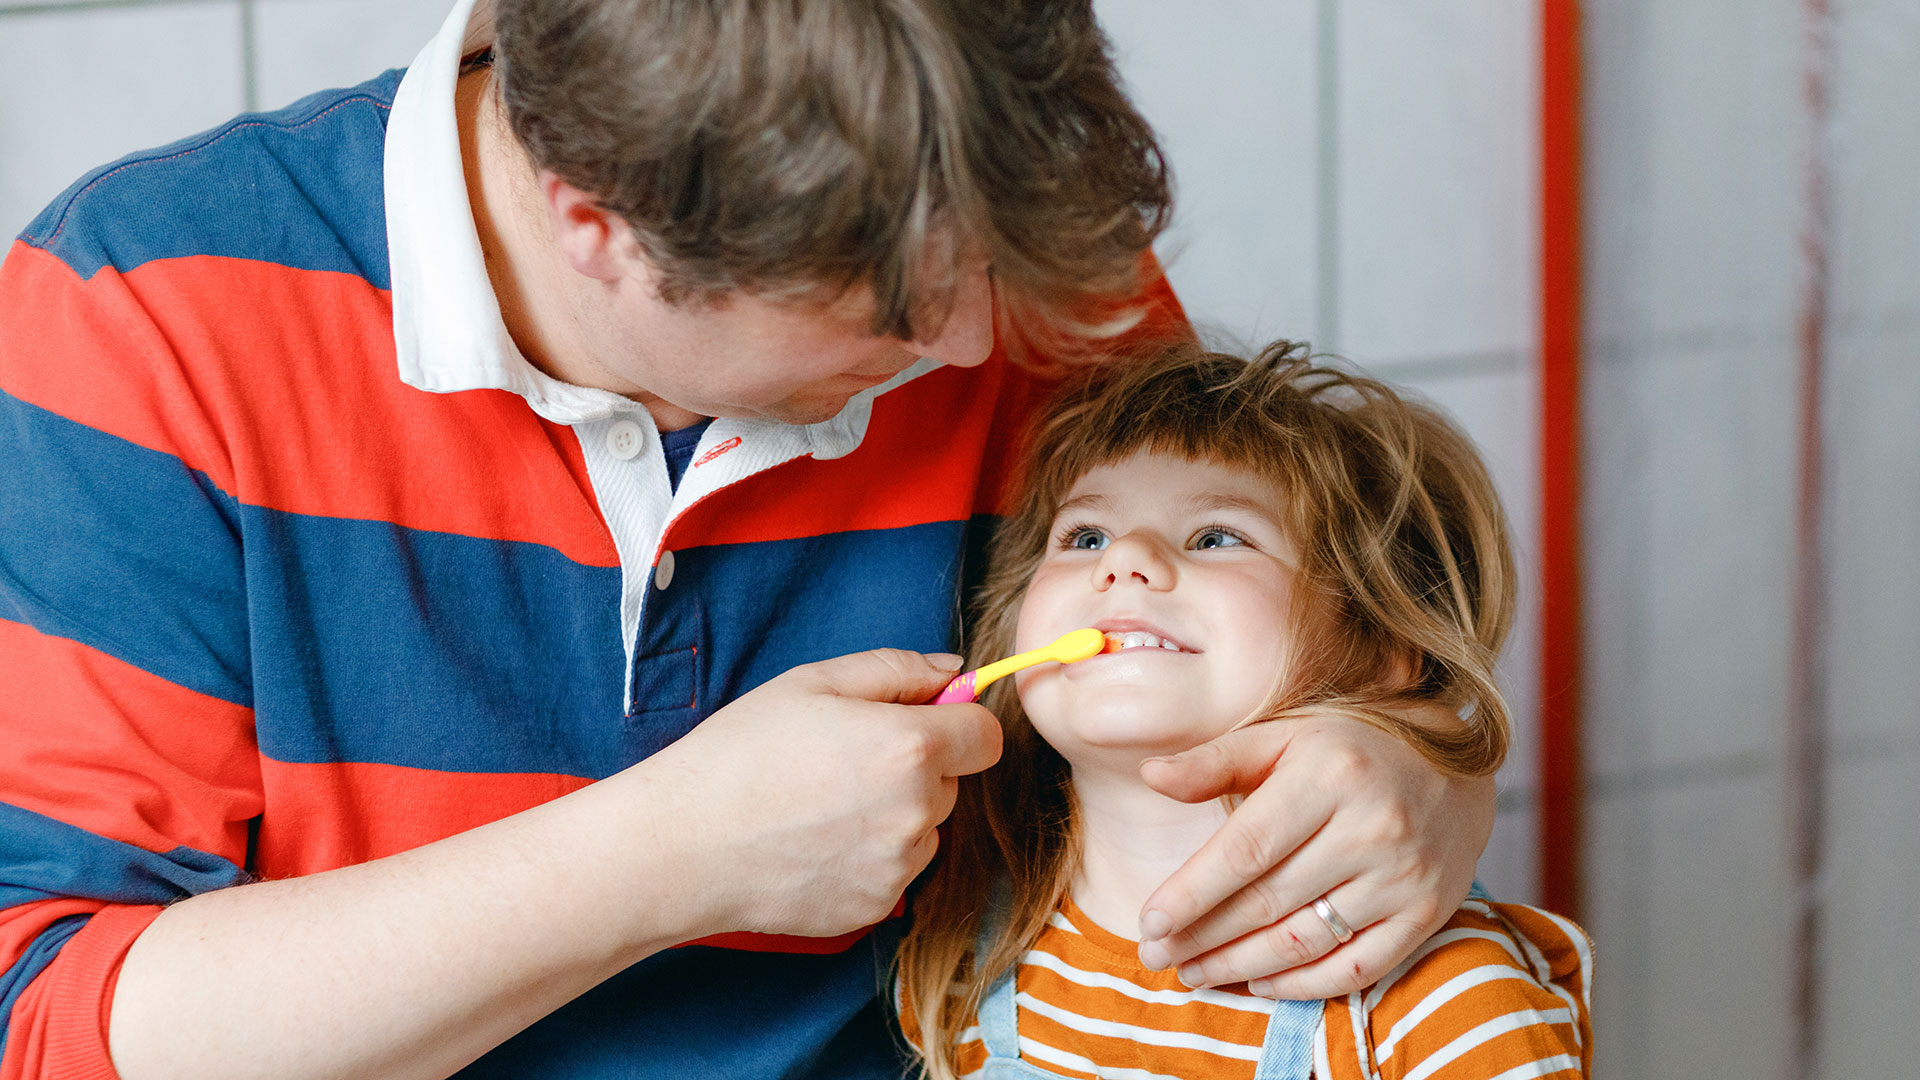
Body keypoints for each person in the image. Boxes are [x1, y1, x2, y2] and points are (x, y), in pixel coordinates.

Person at [0, 1, 1494, 1078]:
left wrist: (1425, 767)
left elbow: (1303, 658)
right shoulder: (144, 316)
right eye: (895, 308)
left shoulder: (1017, 265)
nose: (983, 339)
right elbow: (47, 1024)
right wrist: (664, 861)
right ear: (597, 224)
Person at [898, 341, 1593, 1080]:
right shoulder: (964, 947)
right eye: (1085, 535)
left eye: (1216, 536)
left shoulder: (1447, 996)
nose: (1123, 556)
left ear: (1380, 642)